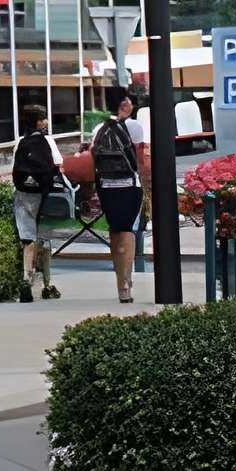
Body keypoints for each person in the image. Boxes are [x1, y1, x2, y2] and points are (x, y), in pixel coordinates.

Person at [90, 81, 144, 304]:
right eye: (129, 100)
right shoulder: (134, 127)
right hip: (129, 185)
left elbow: (93, 160)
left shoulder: (98, 129)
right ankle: (127, 284)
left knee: (115, 231)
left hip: (106, 186)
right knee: (128, 232)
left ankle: (119, 282)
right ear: (124, 104)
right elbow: (140, 161)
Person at [9, 105, 66, 302]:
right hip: (44, 194)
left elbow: (14, 169)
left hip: (24, 194)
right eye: (44, 118)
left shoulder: (21, 142)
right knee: (44, 240)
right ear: (38, 122)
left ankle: (26, 279)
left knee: (27, 238)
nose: (47, 122)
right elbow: (58, 165)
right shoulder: (47, 140)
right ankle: (47, 285)